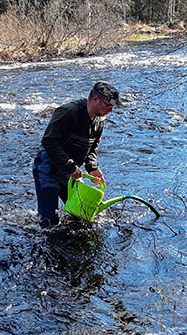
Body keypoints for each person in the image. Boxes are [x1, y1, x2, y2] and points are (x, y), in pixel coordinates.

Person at [33, 81, 123, 227]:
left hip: (70, 174)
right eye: (109, 105)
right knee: (49, 223)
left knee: (81, 218)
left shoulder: (99, 120)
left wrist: (92, 167)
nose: (111, 110)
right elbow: (49, 142)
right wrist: (70, 166)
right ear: (95, 99)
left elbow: (93, 147)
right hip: (47, 171)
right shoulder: (68, 112)